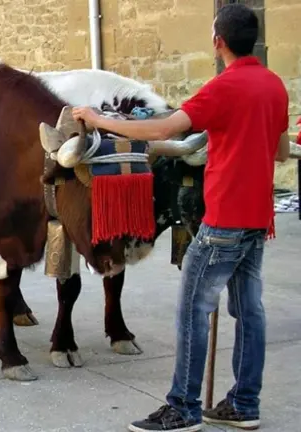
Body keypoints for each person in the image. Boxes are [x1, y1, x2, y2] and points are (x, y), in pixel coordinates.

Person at [72, 4, 290, 432]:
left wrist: (99, 120)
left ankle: (184, 408)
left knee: (192, 310)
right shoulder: (274, 86)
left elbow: (165, 130)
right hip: (258, 218)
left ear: (218, 41)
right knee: (249, 312)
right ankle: (244, 404)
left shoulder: (222, 89)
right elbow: (280, 152)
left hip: (223, 220)